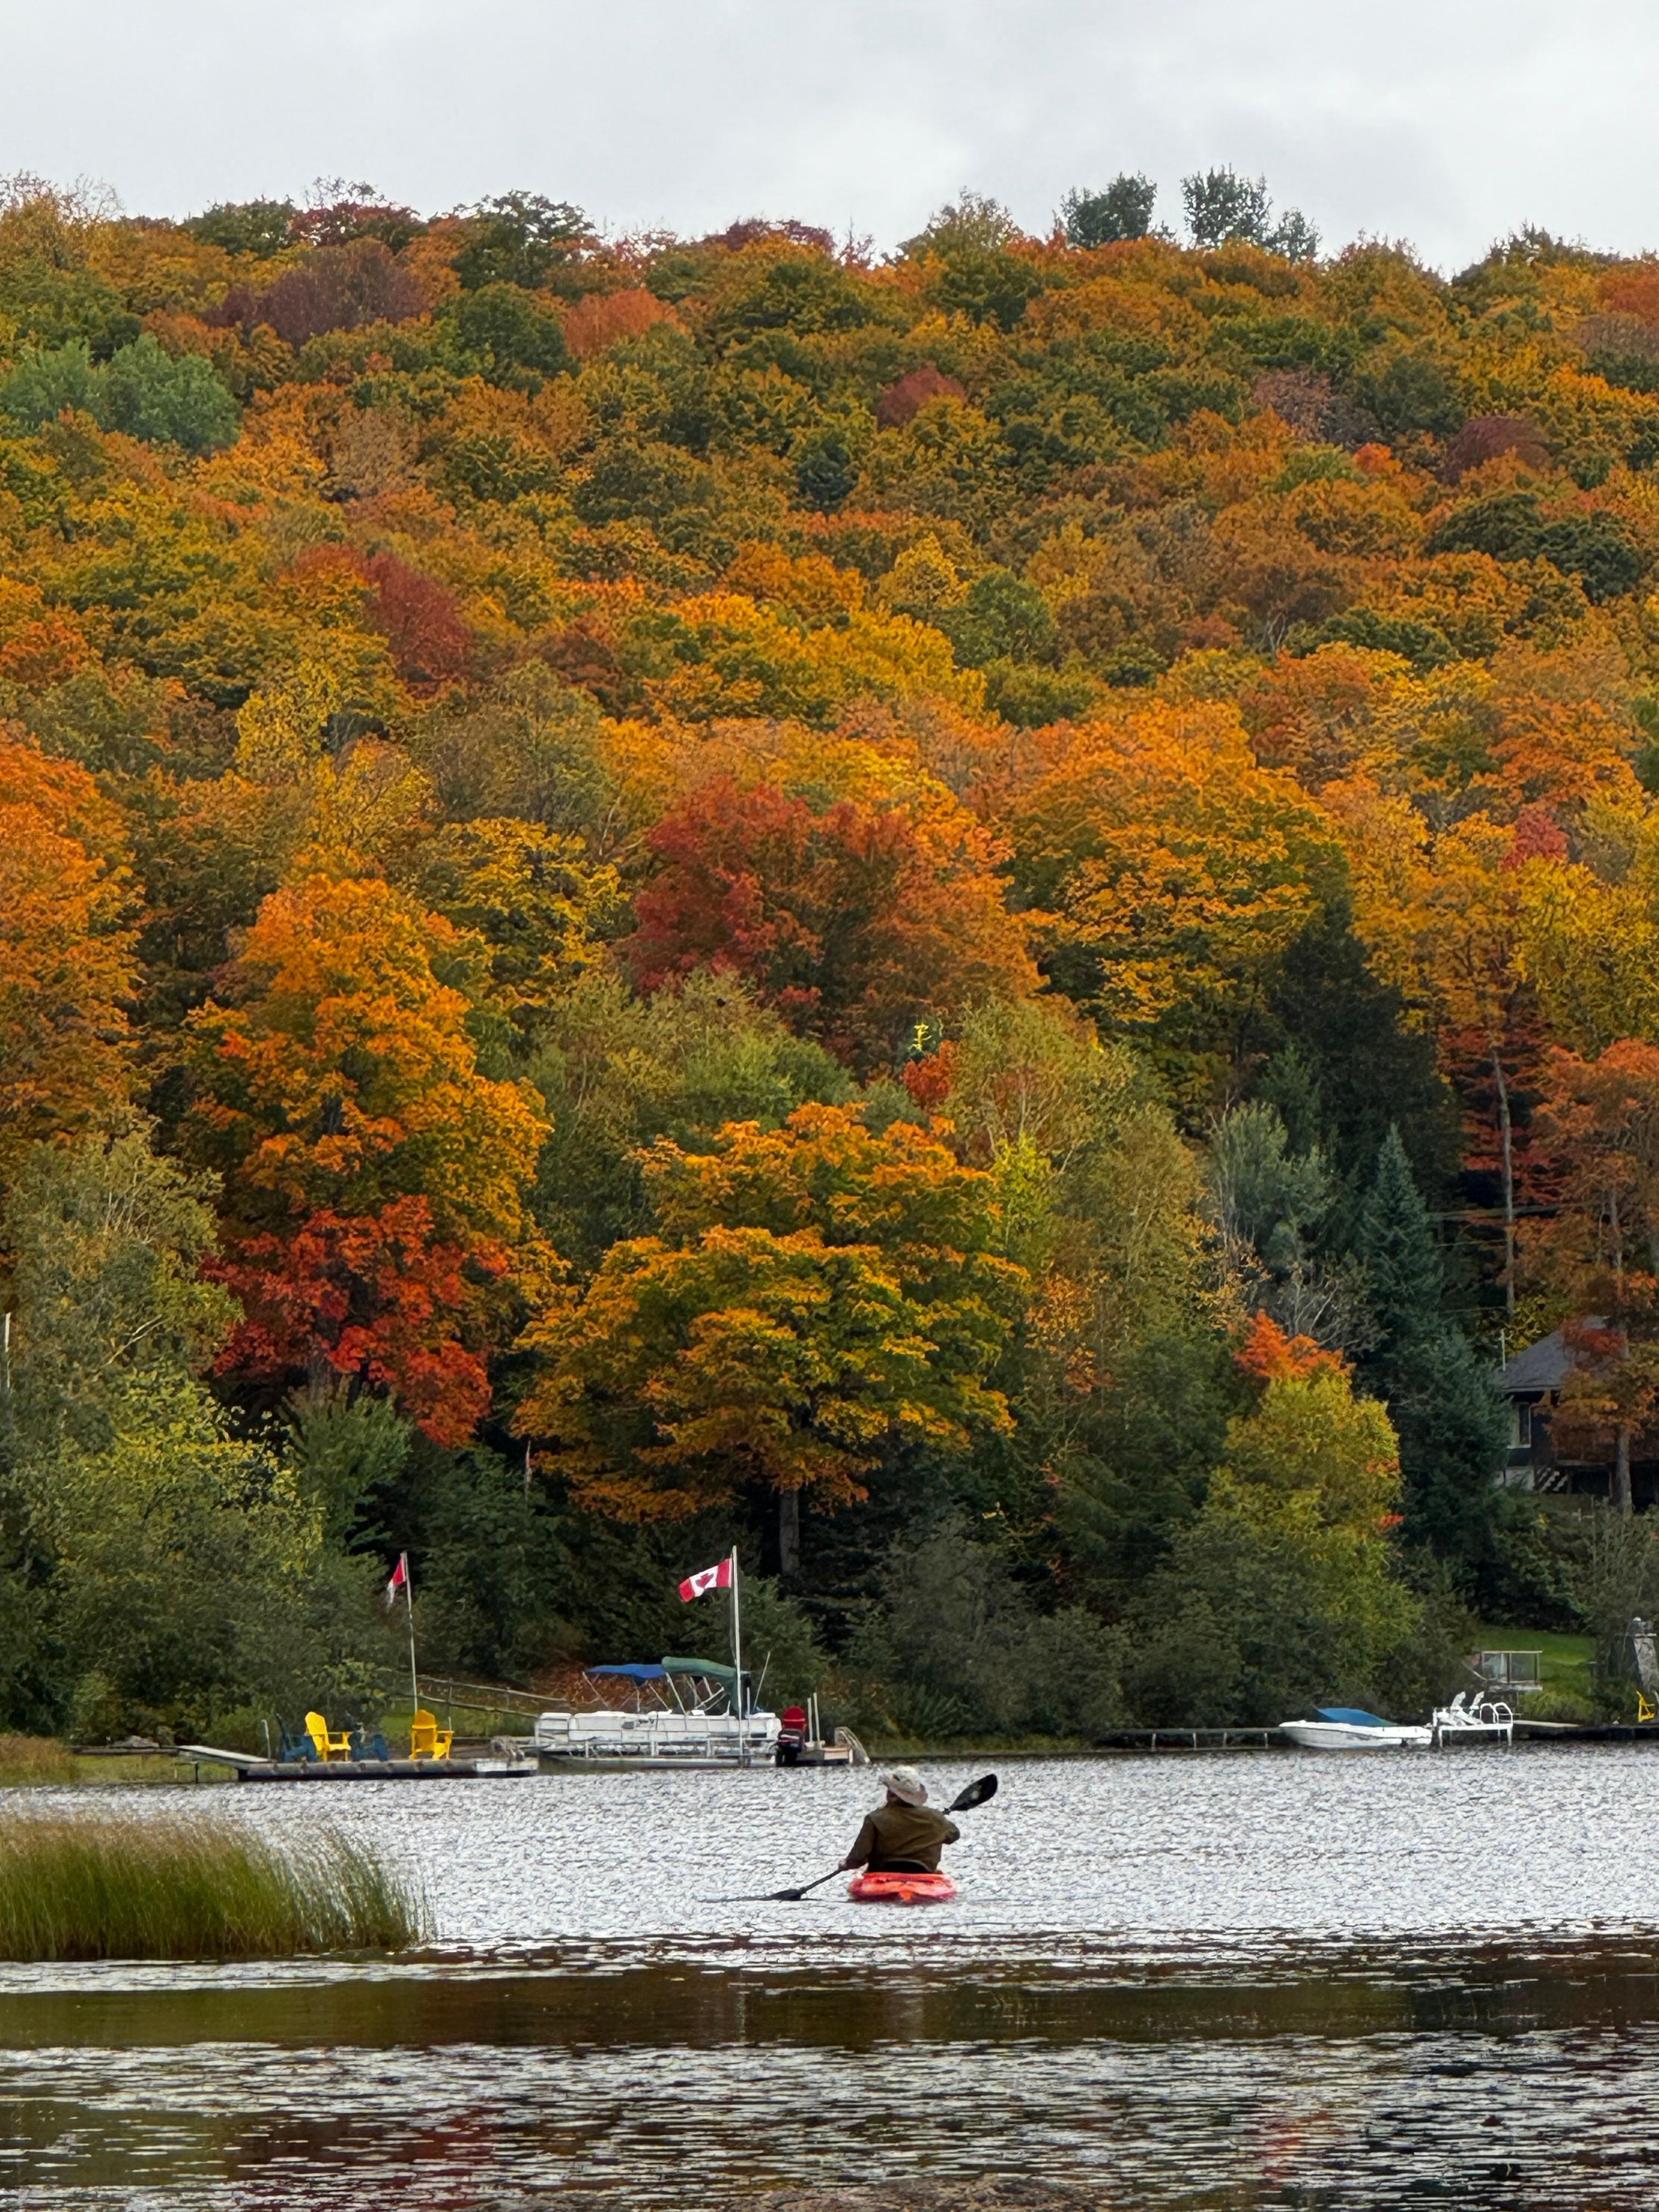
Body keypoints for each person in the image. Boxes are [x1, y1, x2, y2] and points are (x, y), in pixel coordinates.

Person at [841, 1767, 959, 1874]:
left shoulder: (874, 1818)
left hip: (882, 1872)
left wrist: (846, 1864)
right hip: (924, 1871)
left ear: (891, 1794)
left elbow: (859, 1857)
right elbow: (953, 1836)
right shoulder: (936, 1818)